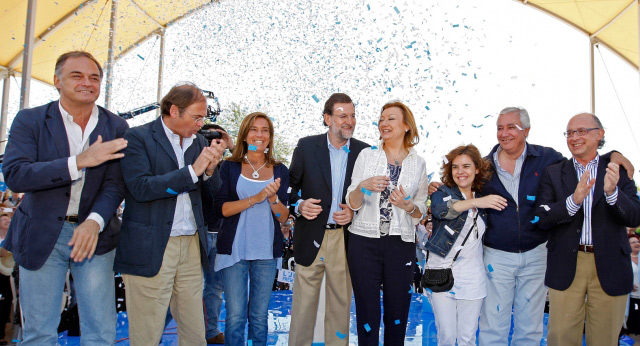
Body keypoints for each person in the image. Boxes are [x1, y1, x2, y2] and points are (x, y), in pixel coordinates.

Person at [424, 107, 635, 346]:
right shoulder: (484, 167)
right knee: (493, 326)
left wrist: (615, 154)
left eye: (511, 127)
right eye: (500, 128)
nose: (504, 133)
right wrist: (439, 187)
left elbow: (585, 156)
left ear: (526, 130)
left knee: (530, 328)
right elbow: (460, 183)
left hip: (537, 254)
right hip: (497, 257)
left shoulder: (548, 158)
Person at [2, 51, 128, 345]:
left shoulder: (116, 127)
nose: (87, 82)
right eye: (77, 75)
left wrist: (94, 222)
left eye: (94, 77)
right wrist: (79, 161)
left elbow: (115, 184)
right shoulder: (30, 120)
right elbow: (17, 174)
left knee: (100, 332)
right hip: (42, 233)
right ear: (57, 81)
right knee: (39, 333)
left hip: (95, 236)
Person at [115, 83, 226, 345]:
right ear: (174, 111)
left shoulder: (199, 141)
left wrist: (210, 172)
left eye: (204, 117)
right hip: (152, 244)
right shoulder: (137, 138)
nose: (201, 124)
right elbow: (141, 188)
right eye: (196, 117)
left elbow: (208, 196)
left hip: (190, 245)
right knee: (147, 329)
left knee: (194, 329)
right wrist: (193, 171)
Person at [535, 113, 640, 345]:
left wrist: (613, 193)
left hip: (611, 264)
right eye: (570, 132)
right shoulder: (553, 173)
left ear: (599, 134)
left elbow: (634, 214)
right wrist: (574, 200)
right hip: (565, 265)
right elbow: (542, 219)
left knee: (604, 339)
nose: (574, 137)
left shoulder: (617, 169)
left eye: (582, 131)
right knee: (560, 336)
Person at [287, 93, 369, 345]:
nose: (350, 121)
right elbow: (289, 190)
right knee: (302, 310)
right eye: (343, 116)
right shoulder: (306, 146)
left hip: (346, 240)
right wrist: (299, 205)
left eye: (353, 116)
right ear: (327, 118)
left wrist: (354, 211)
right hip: (311, 235)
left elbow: (370, 196)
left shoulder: (364, 152)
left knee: (340, 309)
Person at [345, 101, 429, 345]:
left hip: (400, 243)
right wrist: (363, 186)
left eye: (391, 118)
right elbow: (351, 201)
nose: (383, 123)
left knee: (398, 311)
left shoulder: (419, 162)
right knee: (367, 311)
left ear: (406, 126)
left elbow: (421, 209)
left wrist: (408, 206)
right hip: (363, 241)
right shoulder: (367, 155)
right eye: (381, 119)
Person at [214, 112, 289, 346]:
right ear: (245, 135)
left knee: (258, 317)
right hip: (234, 251)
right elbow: (223, 209)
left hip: (266, 252)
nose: (260, 134)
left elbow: (283, 216)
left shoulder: (280, 170)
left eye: (265, 130)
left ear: (270, 136)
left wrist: (273, 198)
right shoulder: (229, 167)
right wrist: (256, 198)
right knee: (235, 317)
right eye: (254, 129)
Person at [425, 145, 507, 346]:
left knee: (467, 338)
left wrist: (480, 202)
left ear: (477, 169)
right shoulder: (441, 192)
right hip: (442, 273)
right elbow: (442, 211)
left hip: (473, 277)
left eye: (466, 166)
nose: (460, 172)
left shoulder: (483, 198)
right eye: (455, 167)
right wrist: (476, 203)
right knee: (446, 337)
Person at [200, 124, 234, 345]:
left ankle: (211, 331)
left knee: (215, 288)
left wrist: (231, 147)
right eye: (210, 138)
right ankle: (152, 334)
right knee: (183, 289)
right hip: (198, 234)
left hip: (221, 234)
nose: (215, 142)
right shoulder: (194, 162)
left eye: (219, 138)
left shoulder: (230, 166)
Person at [0, 214, 12, 344]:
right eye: (4, 220)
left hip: (10, 274)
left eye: (9, 220)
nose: (7, 221)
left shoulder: (14, 237)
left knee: (6, 300)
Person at [627, 233, 640, 335]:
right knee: (631, 326)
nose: (637, 243)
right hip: (630, 297)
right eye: (633, 242)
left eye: (638, 241)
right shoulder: (625, 259)